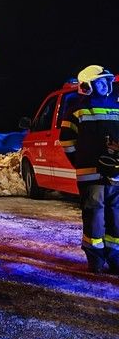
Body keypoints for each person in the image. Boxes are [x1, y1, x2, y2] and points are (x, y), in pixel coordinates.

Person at [59, 65, 119, 274]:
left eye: (107, 82)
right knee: (94, 214)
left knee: (115, 213)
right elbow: (67, 142)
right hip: (90, 173)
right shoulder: (76, 110)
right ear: (87, 85)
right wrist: (82, 162)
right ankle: (95, 258)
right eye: (100, 82)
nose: (105, 85)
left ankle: (114, 255)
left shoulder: (116, 106)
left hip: (115, 172)